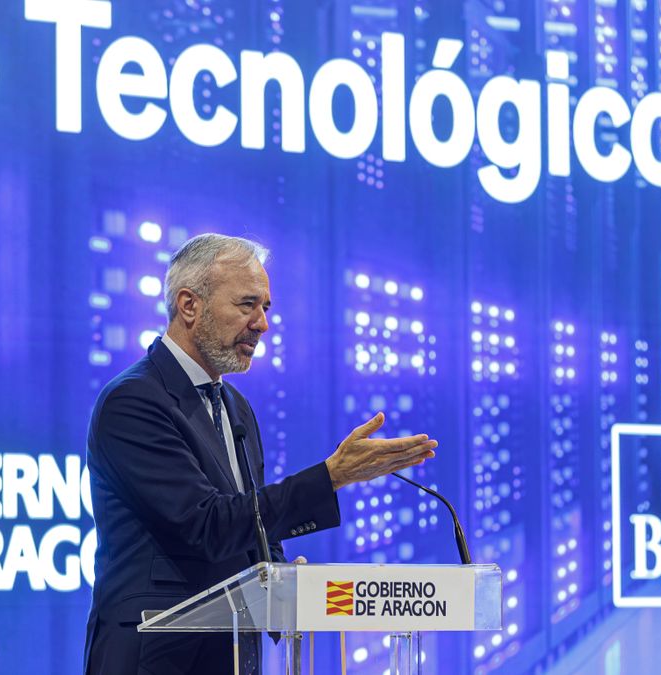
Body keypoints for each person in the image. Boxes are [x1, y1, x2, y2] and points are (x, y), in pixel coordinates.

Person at [83, 234, 438, 674]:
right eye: (247, 304)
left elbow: (249, 527)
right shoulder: (134, 401)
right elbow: (205, 524)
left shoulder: (235, 406)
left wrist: (284, 582)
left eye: (265, 307)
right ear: (189, 305)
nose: (262, 323)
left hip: (232, 655)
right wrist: (329, 478)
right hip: (156, 654)